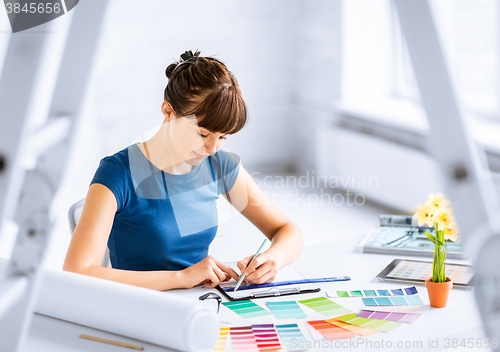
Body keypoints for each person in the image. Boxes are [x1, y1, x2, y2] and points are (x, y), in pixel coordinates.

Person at [63, 50, 303, 291]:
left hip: (202, 304)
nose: (212, 148)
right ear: (168, 111)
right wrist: (181, 278)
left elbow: (288, 231)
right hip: (141, 308)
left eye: (223, 137)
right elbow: (77, 272)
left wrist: (273, 259)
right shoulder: (118, 173)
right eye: (203, 134)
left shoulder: (218, 165)